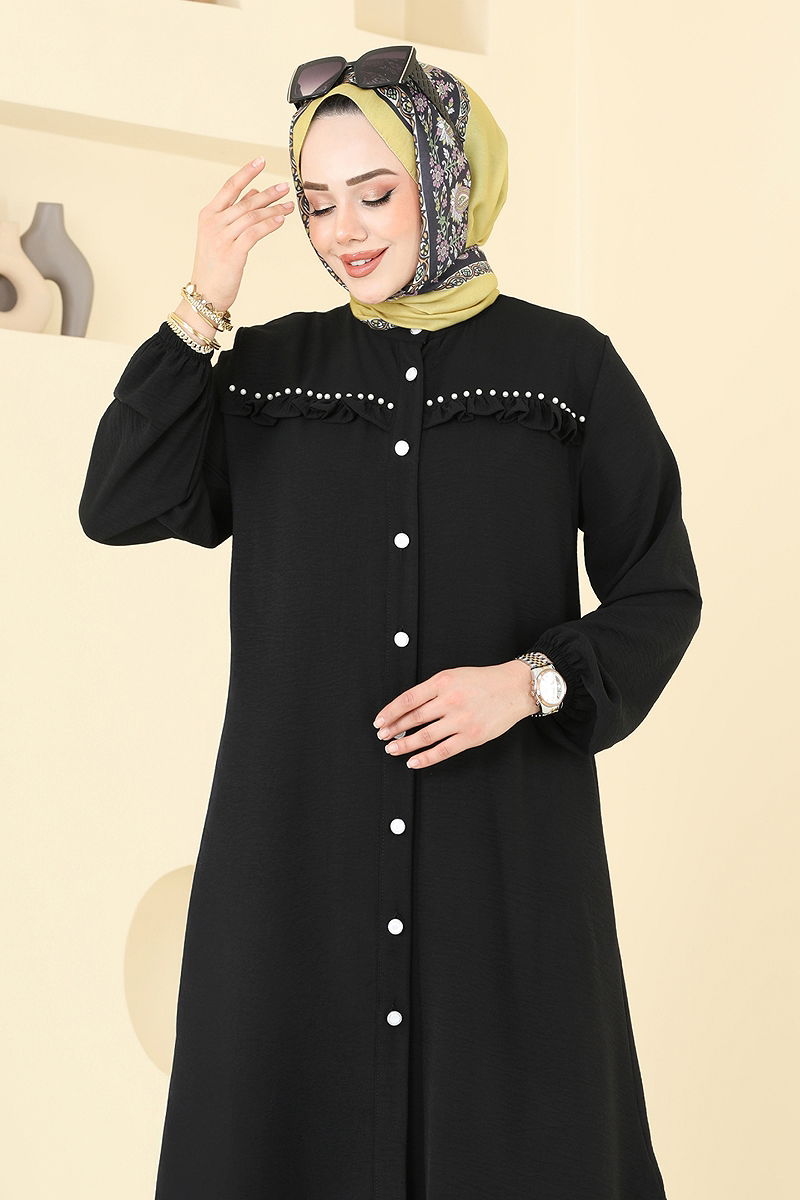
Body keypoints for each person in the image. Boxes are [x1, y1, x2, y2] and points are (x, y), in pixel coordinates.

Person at [78, 46, 702, 1200]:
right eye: (317, 203)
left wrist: (529, 682)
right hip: (296, 865)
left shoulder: (565, 371)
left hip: (503, 862)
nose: (345, 232)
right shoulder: (269, 374)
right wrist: (204, 297)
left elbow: (659, 588)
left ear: (448, 179)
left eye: (375, 193)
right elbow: (118, 501)